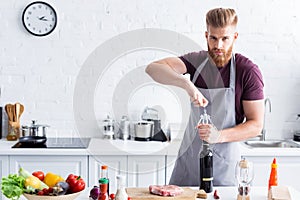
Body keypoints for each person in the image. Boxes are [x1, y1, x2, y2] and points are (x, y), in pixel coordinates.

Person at [145, 8, 264, 186]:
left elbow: (255, 126)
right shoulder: (196, 62)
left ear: (235, 37)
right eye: (213, 38)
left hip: (224, 168)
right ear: (206, 35)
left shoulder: (246, 71)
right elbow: (153, 69)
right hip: (189, 163)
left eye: (225, 38)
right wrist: (187, 85)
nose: (218, 46)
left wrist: (218, 136)